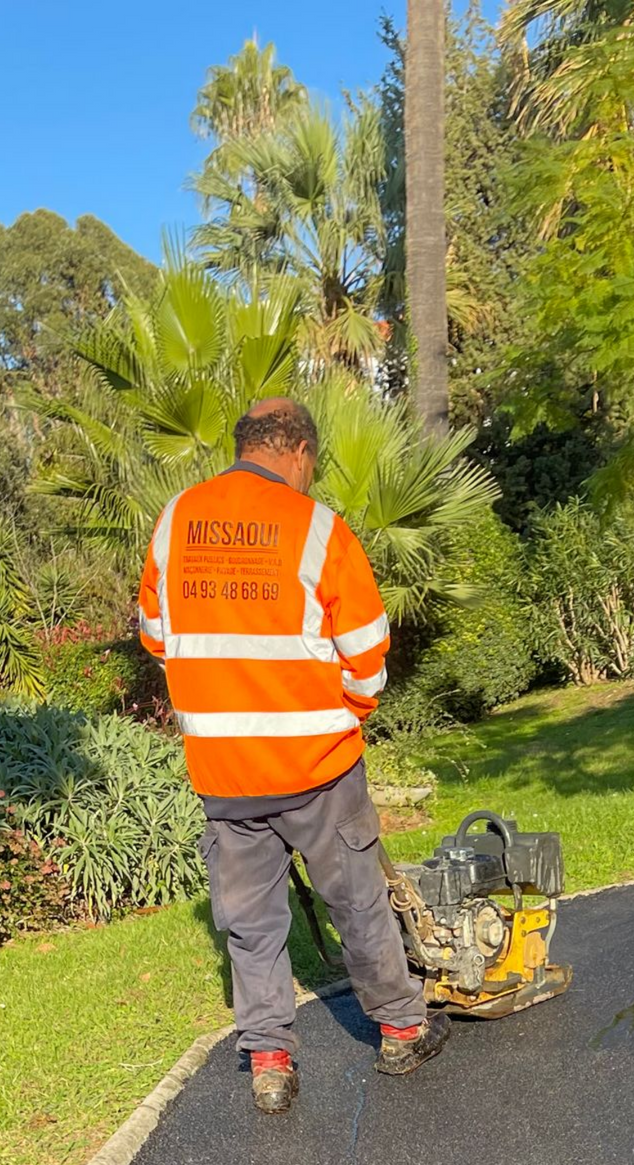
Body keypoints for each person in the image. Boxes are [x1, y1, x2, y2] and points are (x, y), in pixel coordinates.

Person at [137, 398, 449, 1115]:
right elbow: (368, 663)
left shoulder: (177, 519)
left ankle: (270, 1061)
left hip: (224, 771)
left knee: (249, 922)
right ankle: (401, 1026)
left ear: (245, 445)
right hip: (317, 767)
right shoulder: (318, 530)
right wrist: (344, 716)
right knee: (357, 901)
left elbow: (156, 631)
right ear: (300, 452)